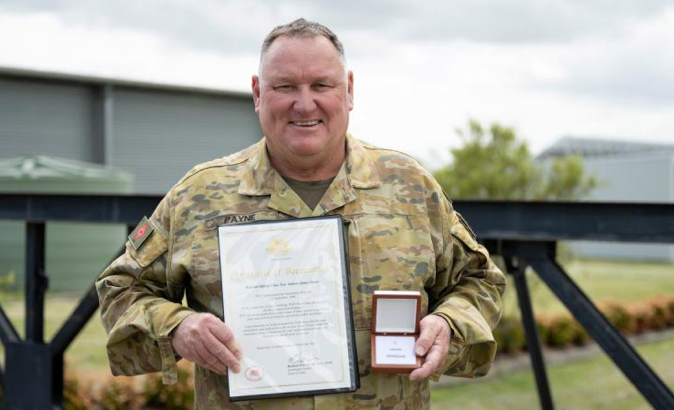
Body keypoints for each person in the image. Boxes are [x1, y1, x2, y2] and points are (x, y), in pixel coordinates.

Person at [96, 18, 506, 409]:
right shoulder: (199, 195)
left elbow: (479, 281)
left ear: (348, 91)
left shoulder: (408, 186)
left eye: (321, 84)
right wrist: (177, 327)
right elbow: (120, 289)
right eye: (285, 85)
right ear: (257, 93)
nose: (303, 103)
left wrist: (449, 324)